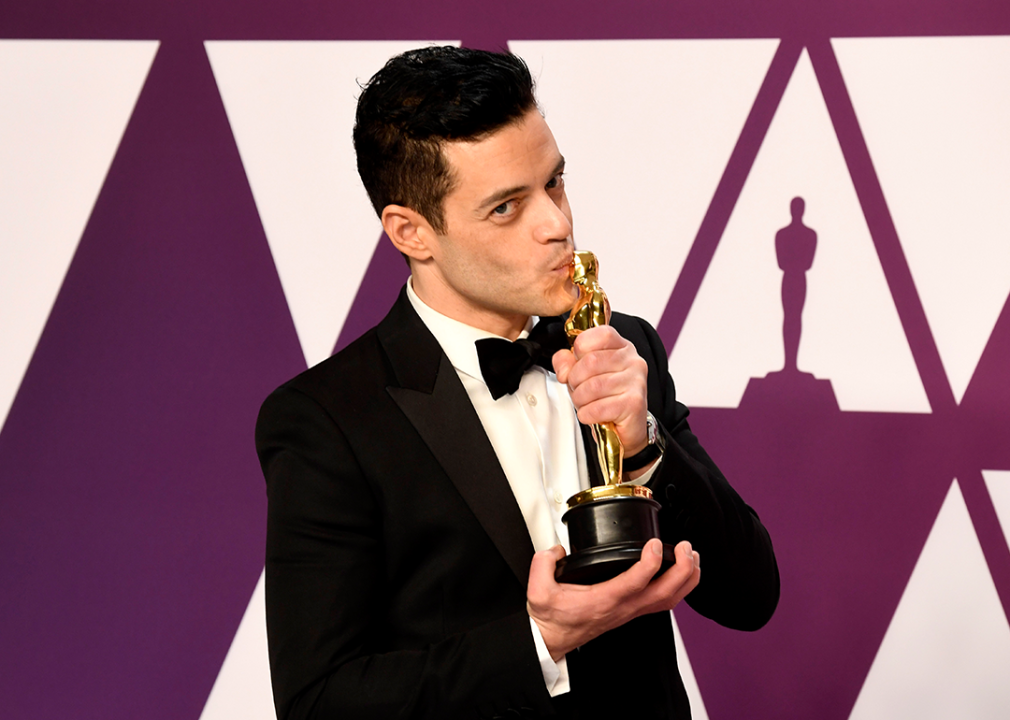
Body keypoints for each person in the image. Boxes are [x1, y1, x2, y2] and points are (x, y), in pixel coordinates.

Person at [256, 46, 779, 720]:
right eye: (506, 208)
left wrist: (645, 444)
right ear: (411, 232)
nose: (557, 225)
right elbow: (320, 703)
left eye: (555, 182)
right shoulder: (328, 419)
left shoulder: (622, 347)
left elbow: (749, 595)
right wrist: (542, 640)